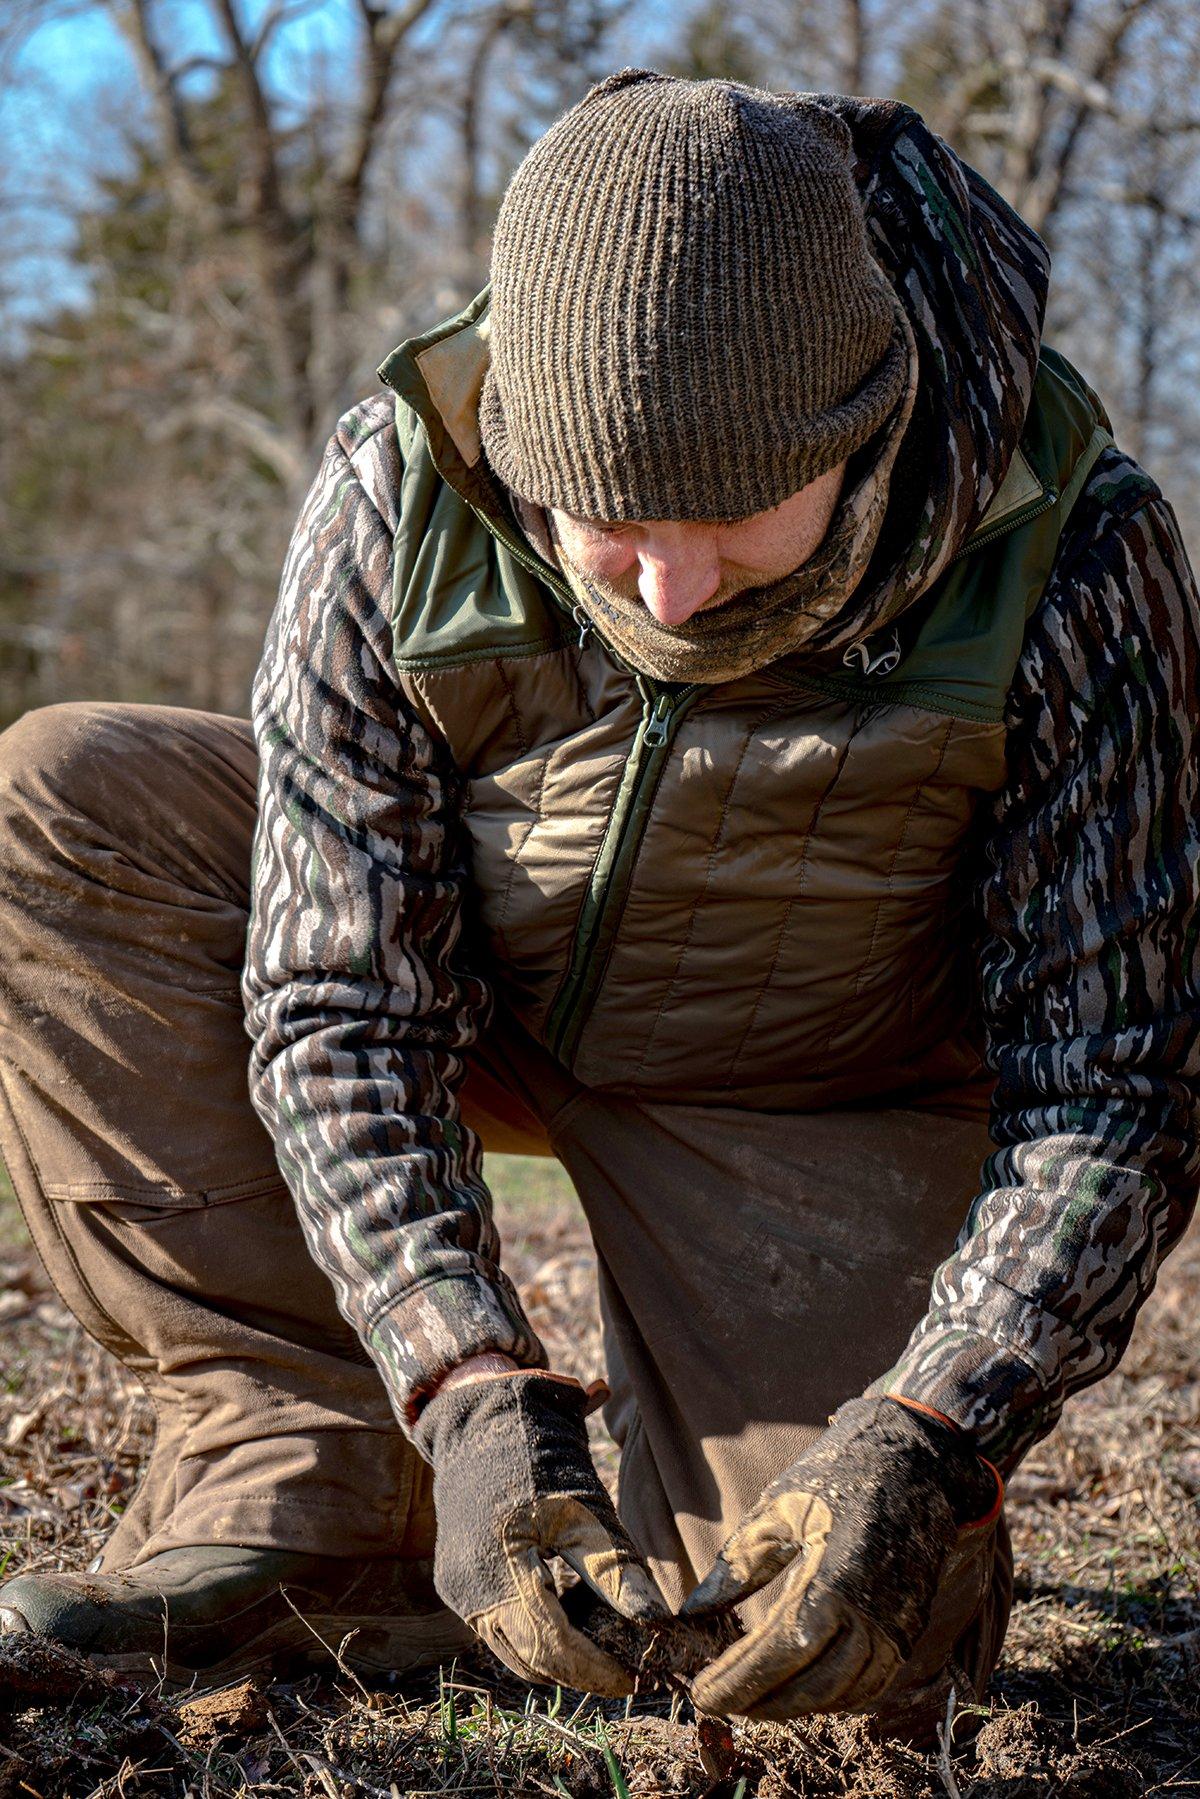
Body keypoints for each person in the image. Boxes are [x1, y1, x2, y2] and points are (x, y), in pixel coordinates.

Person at [1, 70, 1197, 1736]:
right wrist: (467, 1383)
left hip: (817, 1090)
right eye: (613, 531)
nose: (673, 588)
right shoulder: (402, 481)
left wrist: (939, 1430)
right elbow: (340, 1000)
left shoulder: (1072, 548)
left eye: (733, 524)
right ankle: (308, 1470)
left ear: (865, 423)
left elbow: (1119, 1077)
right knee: (67, 798)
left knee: (809, 1652)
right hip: (480, 982)